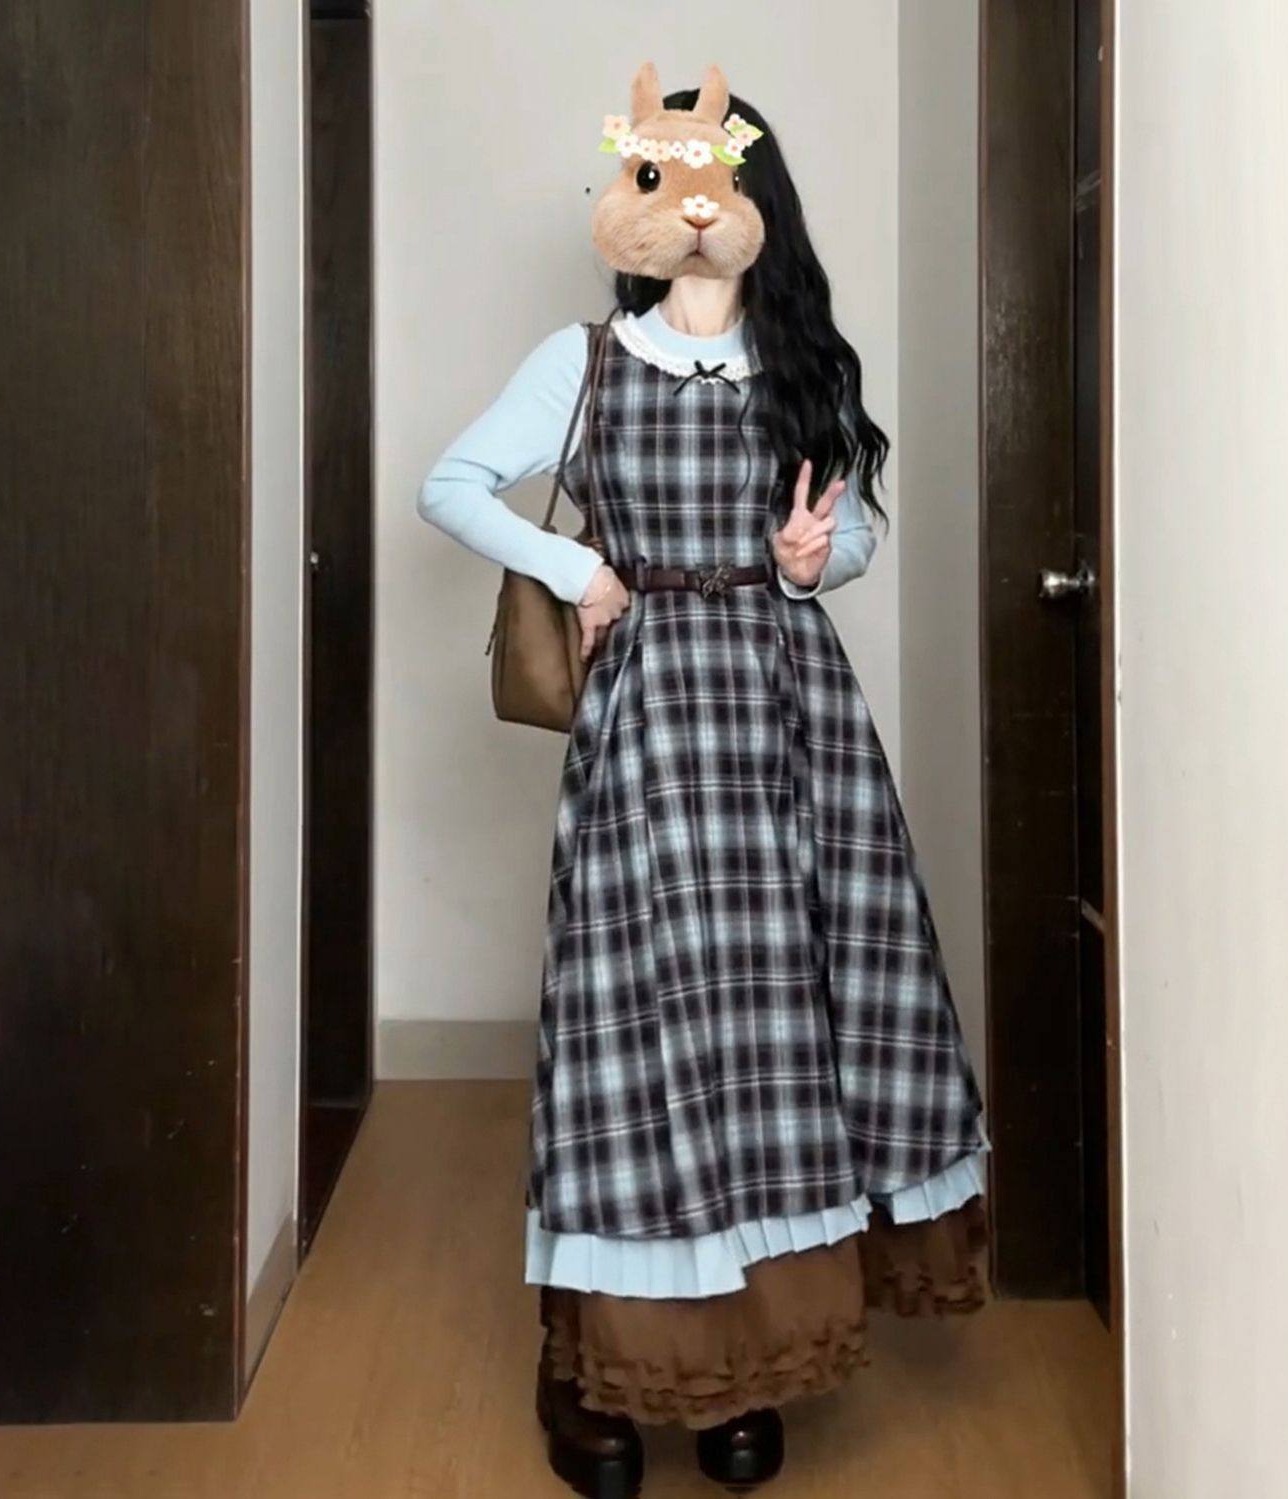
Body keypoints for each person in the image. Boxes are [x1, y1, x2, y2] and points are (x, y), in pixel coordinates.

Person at [419, 62, 988, 1499]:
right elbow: (452, 484)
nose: (686, 210)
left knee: (779, 1029)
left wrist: (815, 558)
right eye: (657, 178)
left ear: (749, 197)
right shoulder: (585, 362)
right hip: (651, 730)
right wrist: (575, 567)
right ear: (639, 194)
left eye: (711, 180)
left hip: (792, 730)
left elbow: (850, 536)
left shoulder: (804, 364)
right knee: (639, 1029)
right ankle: (595, 1365)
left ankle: (751, 1362)